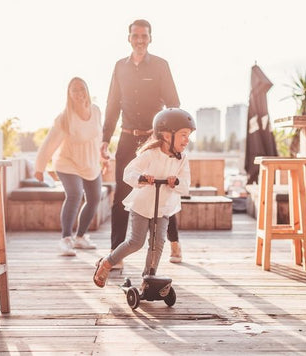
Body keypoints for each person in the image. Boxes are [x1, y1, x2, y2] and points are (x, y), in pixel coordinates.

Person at [101, 19, 183, 268]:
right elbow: (112, 105)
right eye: (135, 36)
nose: (139, 40)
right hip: (127, 137)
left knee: (162, 191)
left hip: (153, 139)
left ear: (150, 38)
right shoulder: (119, 67)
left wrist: (173, 139)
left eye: (144, 36)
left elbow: (173, 103)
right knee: (121, 193)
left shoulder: (160, 66)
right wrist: (105, 139)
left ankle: (174, 241)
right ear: (129, 38)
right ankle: (116, 253)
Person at [93, 108, 196, 288]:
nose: (187, 140)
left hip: (163, 207)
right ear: (166, 135)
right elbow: (128, 173)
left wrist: (176, 182)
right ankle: (107, 263)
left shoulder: (182, 159)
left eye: (188, 135)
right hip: (142, 205)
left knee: (158, 244)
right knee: (135, 242)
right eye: (183, 135)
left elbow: (186, 185)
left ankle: (149, 279)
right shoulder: (150, 154)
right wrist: (141, 179)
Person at [35, 77, 104, 256]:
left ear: (87, 90)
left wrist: (104, 156)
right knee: (74, 194)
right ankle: (66, 239)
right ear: (69, 94)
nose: (79, 93)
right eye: (74, 90)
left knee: (95, 198)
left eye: (81, 88)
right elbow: (49, 143)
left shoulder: (96, 111)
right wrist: (39, 168)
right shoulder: (64, 118)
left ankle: (80, 237)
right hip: (68, 162)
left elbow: (98, 136)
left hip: (90, 162)